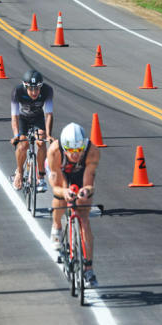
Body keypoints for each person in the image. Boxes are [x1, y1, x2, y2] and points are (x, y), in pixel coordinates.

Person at [46, 122, 100, 288]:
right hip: (60, 172)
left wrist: (85, 191)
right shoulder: (55, 151)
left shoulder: (92, 151)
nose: (75, 154)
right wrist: (65, 191)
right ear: (64, 147)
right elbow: (55, 186)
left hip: (81, 174)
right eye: (71, 150)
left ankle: (88, 269)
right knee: (61, 199)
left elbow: (89, 183)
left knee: (84, 218)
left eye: (79, 150)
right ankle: (56, 226)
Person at [11, 69, 54, 193]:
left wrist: (49, 135)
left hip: (38, 118)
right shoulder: (17, 91)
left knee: (41, 142)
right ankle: (19, 172)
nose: (34, 92)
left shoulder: (47, 90)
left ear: (41, 87)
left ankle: (41, 177)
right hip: (23, 118)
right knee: (23, 144)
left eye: (37, 89)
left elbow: (49, 114)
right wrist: (16, 135)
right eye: (31, 89)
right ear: (25, 87)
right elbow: (14, 116)